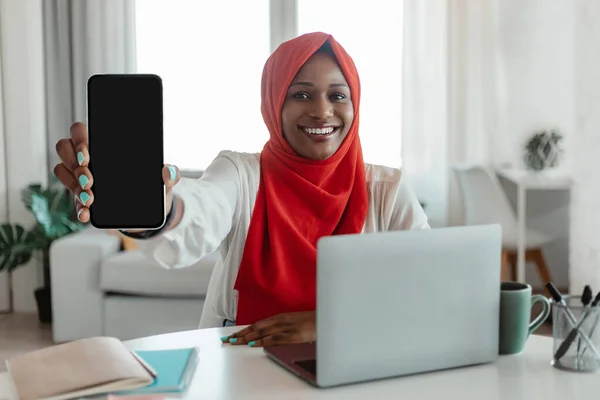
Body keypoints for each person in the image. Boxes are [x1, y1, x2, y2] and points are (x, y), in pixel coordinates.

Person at [53, 32, 429, 348]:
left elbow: (425, 292)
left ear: (355, 103)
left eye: (337, 95)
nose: (321, 111)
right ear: (273, 103)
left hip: (358, 360)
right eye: (300, 94)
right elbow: (203, 208)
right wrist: (158, 207)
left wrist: (325, 324)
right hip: (243, 360)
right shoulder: (241, 173)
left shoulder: (388, 191)